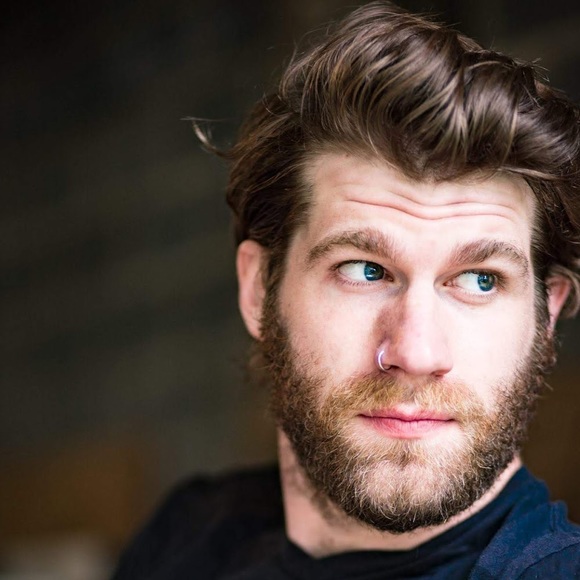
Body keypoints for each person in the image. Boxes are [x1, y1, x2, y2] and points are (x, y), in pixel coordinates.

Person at [112, 2, 580, 578]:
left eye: (480, 280)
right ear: (259, 289)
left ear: (546, 315)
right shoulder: (183, 541)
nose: (416, 353)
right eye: (364, 270)